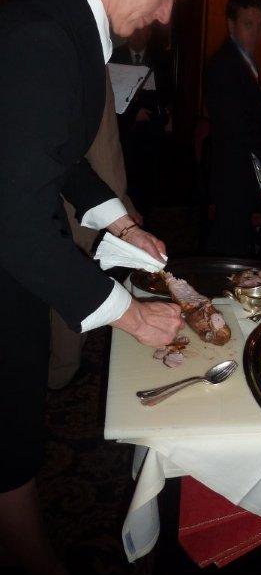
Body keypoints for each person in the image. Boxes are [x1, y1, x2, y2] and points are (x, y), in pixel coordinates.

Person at [0, 0, 208, 575]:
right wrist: (127, 312)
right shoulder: (46, 35)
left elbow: (57, 158)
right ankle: (40, 572)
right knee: (8, 436)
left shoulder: (65, 21)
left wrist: (118, 222)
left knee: (14, 427)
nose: (166, 12)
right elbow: (16, 221)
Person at [48, 70, 141, 390]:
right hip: (76, 201)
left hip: (49, 192)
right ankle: (63, 368)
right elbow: (105, 151)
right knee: (73, 276)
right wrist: (122, 212)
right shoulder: (88, 65)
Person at [205, 0, 261, 260]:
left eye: (260, 25)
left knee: (237, 241)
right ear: (231, 25)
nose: (256, 33)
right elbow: (239, 124)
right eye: (248, 24)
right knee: (232, 246)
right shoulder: (225, 64)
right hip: (234, 170)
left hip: (240, 168)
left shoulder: (242, 60)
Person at [111, 23, 173, 214]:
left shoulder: (161, 58)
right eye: (134, 29)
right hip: (123, 132)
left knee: (149, 180)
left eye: (143, 30)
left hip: (151, 131)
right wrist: (133, 113)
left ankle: (147, 216)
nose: (138, 34)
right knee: (125, 178)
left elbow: (167, 91)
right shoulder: (115, 56)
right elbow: (111, 93)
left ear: (149, 33)